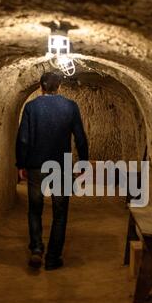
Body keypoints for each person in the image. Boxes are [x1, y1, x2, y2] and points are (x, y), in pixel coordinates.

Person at [15, 72, 88, 270]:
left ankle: (37, 249)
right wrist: (83, 163)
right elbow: (80, 137)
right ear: (60, 86)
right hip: (61, 166)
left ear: (41, 86)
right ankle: (53, 258)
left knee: (35, 209)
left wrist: (21, 164)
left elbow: (23, 139)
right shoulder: (70, 107)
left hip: (36, 166)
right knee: (60, 213)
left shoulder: (31, 107)